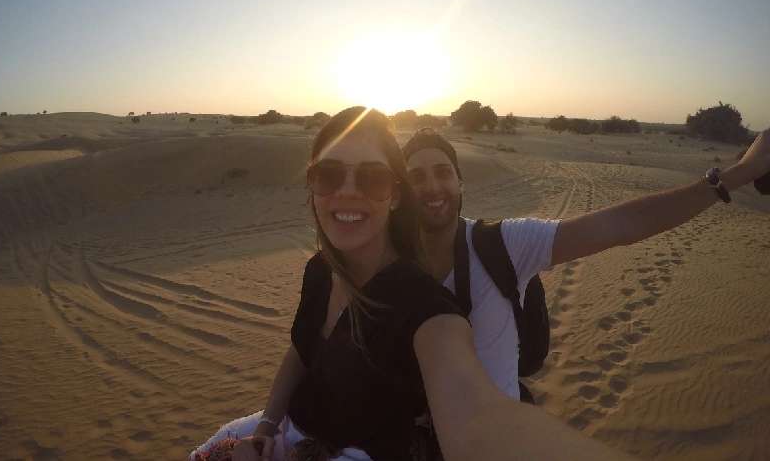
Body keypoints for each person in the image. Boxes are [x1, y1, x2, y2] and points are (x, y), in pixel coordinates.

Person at [190, 107, 627, 461]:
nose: (347, 192)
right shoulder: (320, 270)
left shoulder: (423, 302)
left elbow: (478, 419)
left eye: (372, 178)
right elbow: (301, 351)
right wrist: (266, 428)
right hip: (285, 432)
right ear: (311, 186)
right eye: (328, 175)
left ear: (394, 195)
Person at [402, 126, 770, 403]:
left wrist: (741, 172)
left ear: (460, 181)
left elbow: (624, 225)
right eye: (416, 177)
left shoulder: (503, 244)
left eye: (443, 172)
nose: (432, 187)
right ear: (400, 190)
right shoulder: (384, 263)